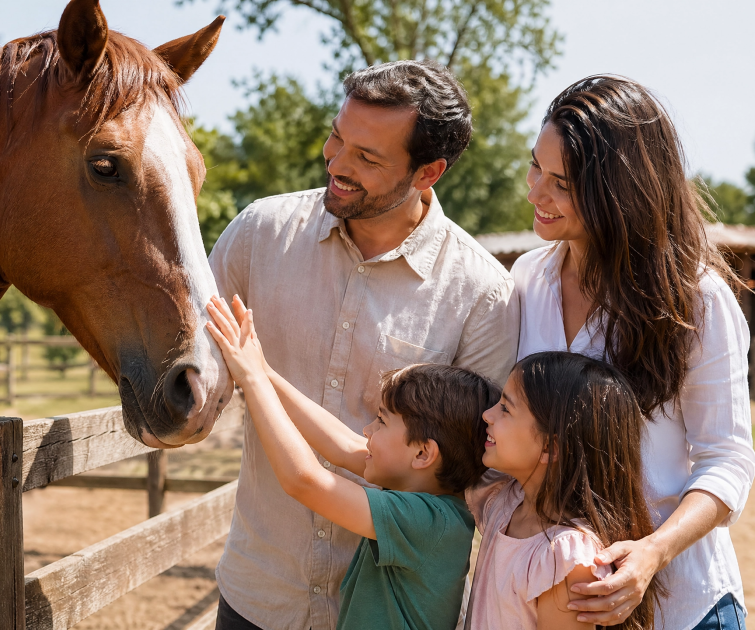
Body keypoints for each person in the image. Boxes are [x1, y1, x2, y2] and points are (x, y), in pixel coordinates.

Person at [208, 59, 519, 630]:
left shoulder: (482, 294)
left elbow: (478, 470)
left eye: (368, 157)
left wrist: (257, 377)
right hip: (258, 596)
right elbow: (196, 357)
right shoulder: (259, 233)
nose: (338, 164)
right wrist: (253, 372)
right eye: (337, 138)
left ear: (428, 172)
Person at [514, 75, 755, 628]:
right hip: (560, 605)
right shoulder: (527, 281)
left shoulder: (696, 299)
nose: (535, 192)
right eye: (535, 167)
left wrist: (652, 553)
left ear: (619, 192)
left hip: (683, 607)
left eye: (562, 182)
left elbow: (728, 461)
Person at [205, 294, 500, 630]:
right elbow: (342, 445)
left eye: (381, 421)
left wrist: (252, 381)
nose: (366, 430)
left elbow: (304, 480)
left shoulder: (428, 522)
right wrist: (264, 371)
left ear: (422, 454)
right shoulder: (427, 494)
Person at [464, 351, 662, 630]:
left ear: (551, 447)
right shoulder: (506, 503)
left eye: (506, 409)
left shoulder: (566, 559)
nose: (488, 415)